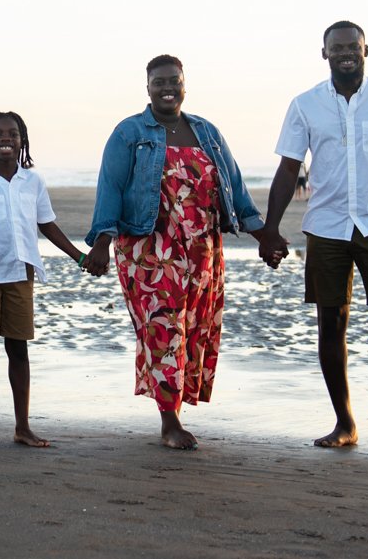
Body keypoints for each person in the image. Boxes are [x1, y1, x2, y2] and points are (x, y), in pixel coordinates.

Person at [81, 56, 288, 450]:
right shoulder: (129, 133)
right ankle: (169, 420)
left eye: (174, 80)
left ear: (184, 84)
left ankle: (174, 406)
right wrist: (101, 243)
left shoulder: (206, 132)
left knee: (192, 329)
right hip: (148, 250)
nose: (167, 88)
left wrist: (265, 236)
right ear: (147, 88)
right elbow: (110, 187)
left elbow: (237, 191)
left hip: (202, 250)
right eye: (159, 82)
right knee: (164, 328)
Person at [262, 20, 368, 458]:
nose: (345, 54)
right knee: (331, 324)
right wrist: (270, 229)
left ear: (366, 49)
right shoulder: (305, 105)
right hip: (326, 227)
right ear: (325, 54)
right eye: (337, 48)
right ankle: (345, 423)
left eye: (352, 46)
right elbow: (287, 169)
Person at [0, 111, 89, 448]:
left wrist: (79, 256)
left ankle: (22, 427)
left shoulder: (33, 182)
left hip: (20, 275)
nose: (5, 139)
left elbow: (47, 225)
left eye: (12, 134)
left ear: (21, 140)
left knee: (18, 350)